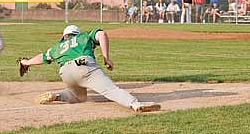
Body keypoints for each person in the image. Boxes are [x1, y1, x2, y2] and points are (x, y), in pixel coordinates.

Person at [19, 25, 161, 113]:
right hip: (84, 66)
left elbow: (41, 57)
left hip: (65, 73)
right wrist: (106, 57)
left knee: (79, 97)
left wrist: (25, 62)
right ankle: (135, 104)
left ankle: (57, 95)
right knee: (111, 90)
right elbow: (102, 34)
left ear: (64, 36)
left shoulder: (57, 47)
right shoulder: (84, 36)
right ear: (77, 33)